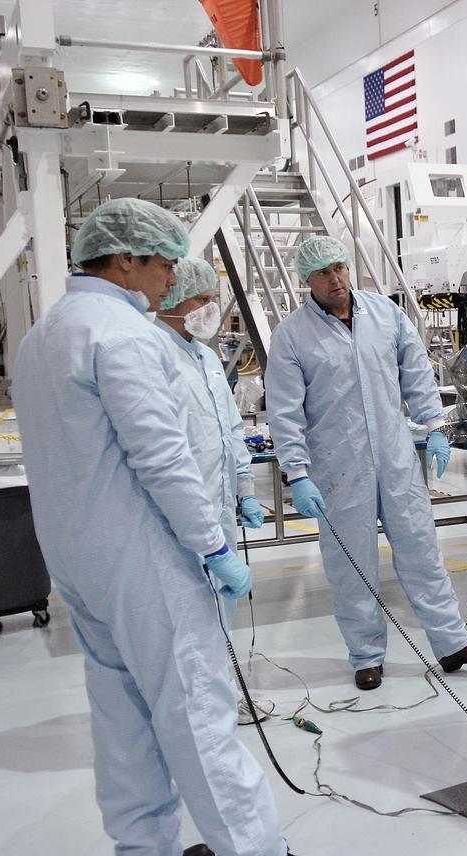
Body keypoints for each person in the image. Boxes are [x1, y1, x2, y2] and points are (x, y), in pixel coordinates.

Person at [13, 198, 290, 856]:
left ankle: (143, 847)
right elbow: (162, 458)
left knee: (123, 719)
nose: (172, 279)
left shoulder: (43, 335)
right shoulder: (124, 335)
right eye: (165, 264)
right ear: (125, 260)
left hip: (79, 561)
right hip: (146, 562)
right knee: (197, 712)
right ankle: (252, 847)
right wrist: (213, 545)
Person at [264, 235, 467, 690]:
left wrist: (435, 425)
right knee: (352, 566)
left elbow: (416, 373)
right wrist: (297, 471)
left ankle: (452, 643)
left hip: (395, 457)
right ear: (306, 280)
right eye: (323, 273)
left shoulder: (385, 314)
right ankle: (366, 655)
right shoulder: (292, 336)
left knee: (421, 550)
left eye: (340, 268)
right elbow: (285, 411)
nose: (335, 279)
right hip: (337, 466)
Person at [155, 257, 271, 725]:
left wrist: (245, 487)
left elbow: (229, 430)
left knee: (220, 610)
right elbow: (161, 453)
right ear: (171, 299)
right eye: (200, 299)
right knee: (186, 615)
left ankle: (220, 697)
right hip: (179, 516)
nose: (209, 308)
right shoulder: (154, 357)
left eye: (211, 299)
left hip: (218, 507)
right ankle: (196, 710)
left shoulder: (204, 358)